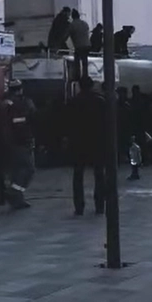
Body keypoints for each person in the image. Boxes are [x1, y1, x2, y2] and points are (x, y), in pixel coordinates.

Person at [66, 75, 106, 216]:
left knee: (78, 175)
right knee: (99, 174)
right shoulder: (100, 101)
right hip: (97, 141)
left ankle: (79, 206)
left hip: (78, 142)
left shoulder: (73, 102)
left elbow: (67, 123)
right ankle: (100, 204)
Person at [4, 79, 36, 210]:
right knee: (28, 169)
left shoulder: (4, 103)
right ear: (20, 89)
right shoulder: (24, 103)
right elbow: (33, 118)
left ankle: (17, 200)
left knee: (16, 171)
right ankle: (14, 192)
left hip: (9, 142)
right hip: (22, 141)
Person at [68, 10, 91, 78]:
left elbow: (68, 34)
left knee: (77, 61)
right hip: (87, 44)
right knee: (85, 61)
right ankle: (85, 75)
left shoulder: (72, 24)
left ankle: (77, 75)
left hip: (79, 46)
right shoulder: (84, 23)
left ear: (72, 16)